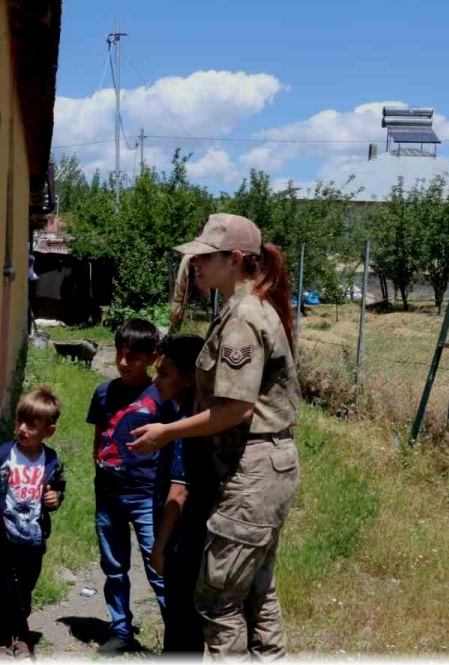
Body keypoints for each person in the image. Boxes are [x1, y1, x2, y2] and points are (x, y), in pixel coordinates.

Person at [127, 213, 301, 661]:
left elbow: (236, 408)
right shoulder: (244, 308)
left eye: (205, 257)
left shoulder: (243, 316)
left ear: (235, 259)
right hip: (261, 468)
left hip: (252, 472)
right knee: (257, 591)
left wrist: (166, 432)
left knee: (218, 598)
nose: (196, 265)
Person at [86, 318, 166, 654]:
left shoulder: (161, 396)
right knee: (114, 567)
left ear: (152, 357)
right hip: (109, 495)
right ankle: (120, 629)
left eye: (133, 356)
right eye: (119, 352)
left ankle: (178, 636)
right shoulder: (103, 392)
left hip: (147, 496)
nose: (123, 361)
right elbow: (98, 439)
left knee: (158, 567)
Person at [0, 385, 67, 661]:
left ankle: (21, 638)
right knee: (2, 592)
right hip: (5, 539)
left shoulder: (51, 461)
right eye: (19, 421)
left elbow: (59, 488)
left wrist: (55, 498)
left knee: (23, 591)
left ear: (49, 431)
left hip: (33, 541)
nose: (22, 429)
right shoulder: (3, 456)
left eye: (31, 425)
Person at [144, 333, 210, 655]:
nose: (155, 380)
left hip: (182, 545)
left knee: (181, 628)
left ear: (188, 378)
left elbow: (179, 491)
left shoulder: (184, 424)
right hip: (188, 543)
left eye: (164, 373)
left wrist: (159, 548)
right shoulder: (188, 417)